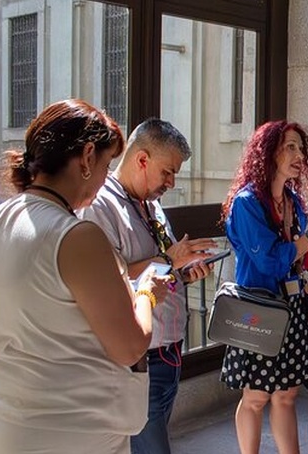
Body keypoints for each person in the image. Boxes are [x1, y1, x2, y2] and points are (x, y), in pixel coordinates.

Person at [0, 99, 172, 454]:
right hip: (66, 427)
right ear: (87, 157)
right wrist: (146, 293)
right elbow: (129, 347)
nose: (107, 176)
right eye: (108, 164)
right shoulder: (76, 236)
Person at [78, 118, 216, 454]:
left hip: (168, 353)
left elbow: (160, 267)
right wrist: (171, 259)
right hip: (139, 359)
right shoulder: (101, 208)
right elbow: (112, 278)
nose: (171, 181)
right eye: (167, 171)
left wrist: (184, 271)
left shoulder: (151, 205)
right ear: (142, 160)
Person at [219, 120, 308, 454]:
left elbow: (295, 261)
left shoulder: (292, 200)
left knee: (287, 393)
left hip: (290, 308)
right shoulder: (247, 203)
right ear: (269, 153)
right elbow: (270, 262)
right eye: (289, 147)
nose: (298, 154)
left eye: (300, 147)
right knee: (256, 396)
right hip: (257, 307)